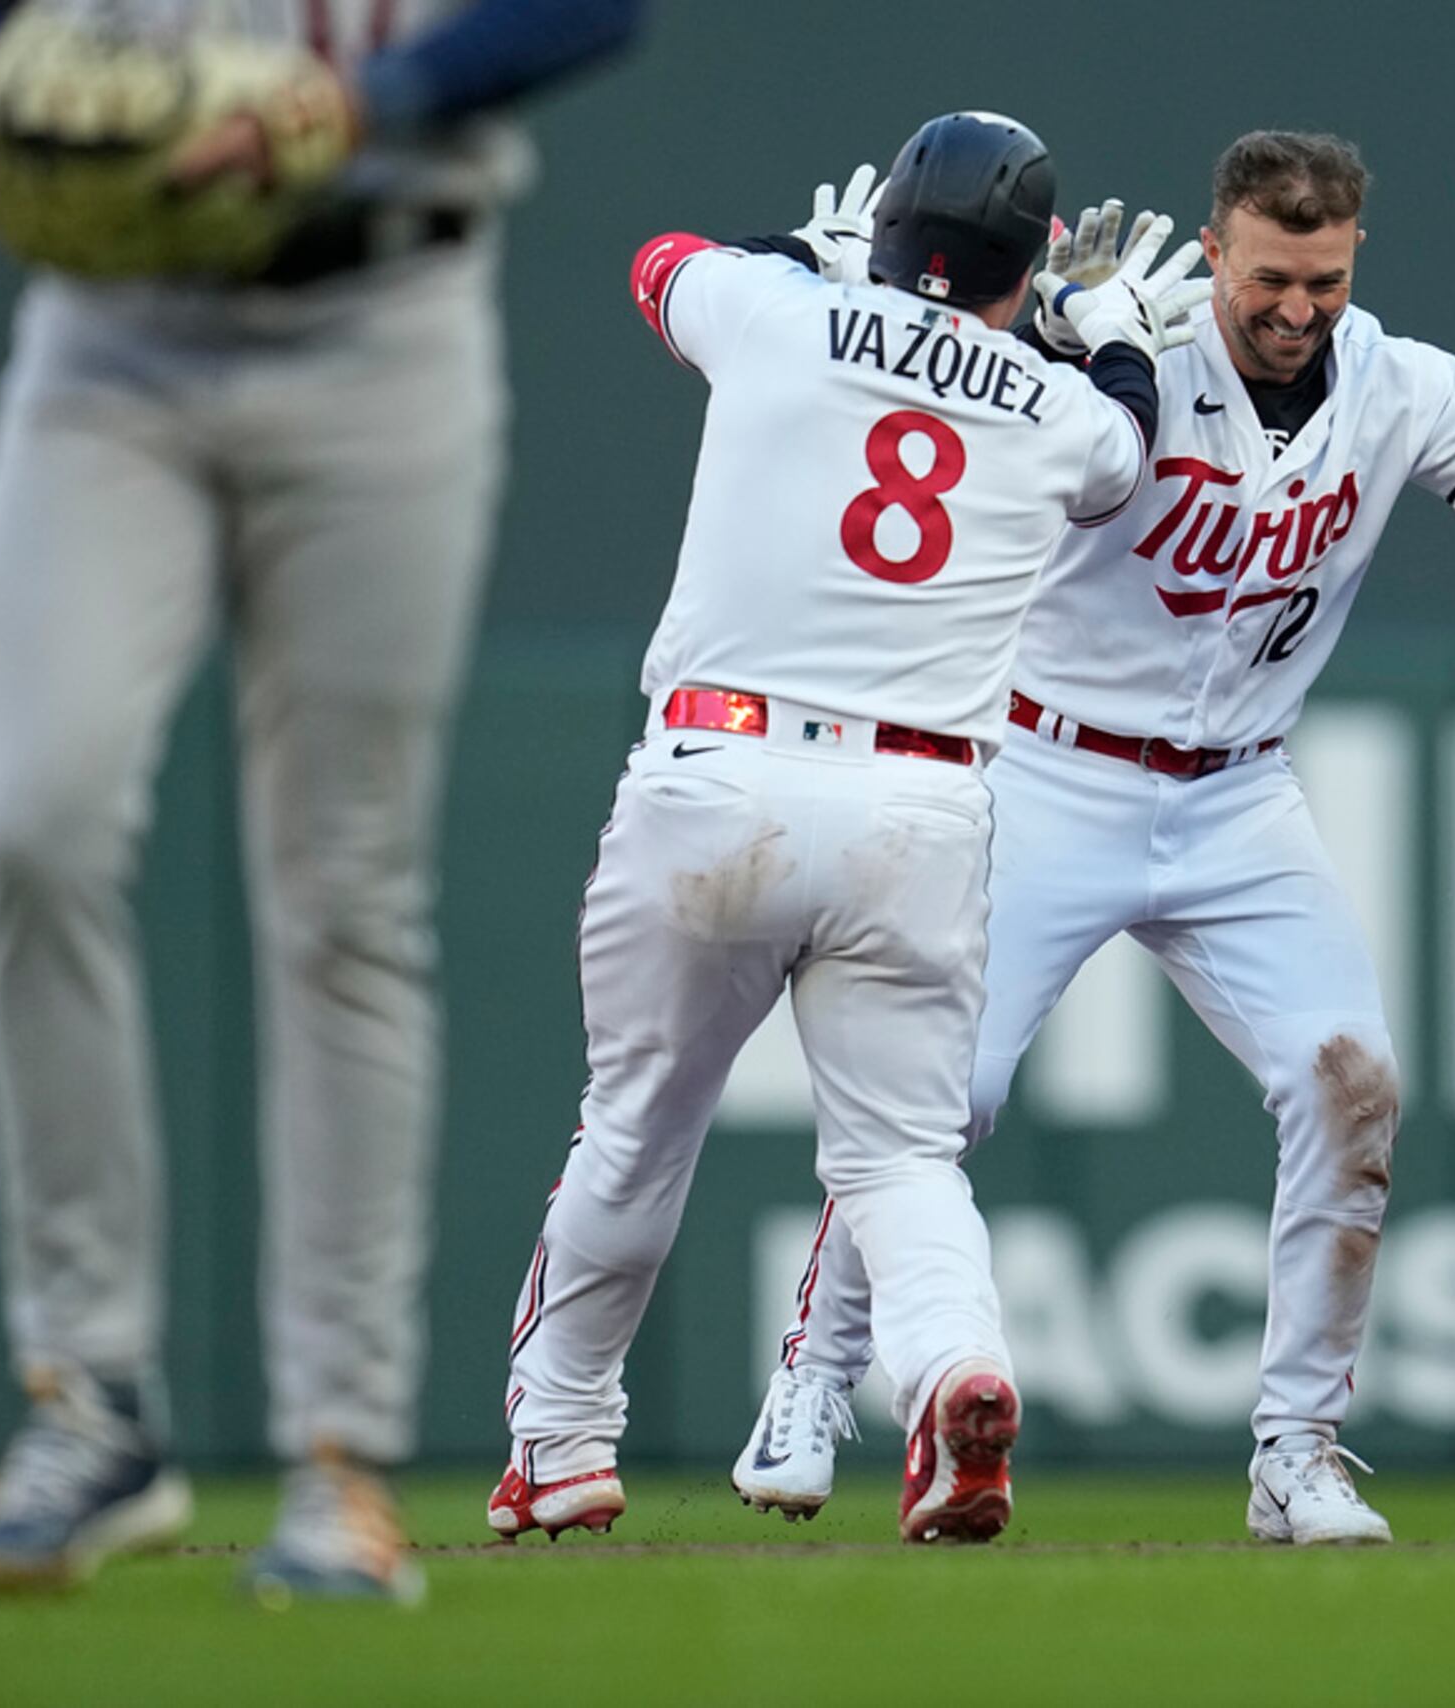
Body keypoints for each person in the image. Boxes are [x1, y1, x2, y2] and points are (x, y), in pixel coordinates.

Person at [731, 131, 1455, 1546]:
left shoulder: (1393, 382)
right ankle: (816, 1380)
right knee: (941, 1099)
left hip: (1239, 795)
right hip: (1048, 772)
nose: (1295, 308)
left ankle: (1295, 1451)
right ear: (1220, 247)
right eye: (1267, 276)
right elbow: (935, 398)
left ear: (1354, 256)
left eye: (1321, 277)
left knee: (1351, 1086)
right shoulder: (1128, 343)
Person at [0, 0, 645, 1601]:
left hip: (382, 311)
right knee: (25, 817)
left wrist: (367, 98)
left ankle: (338, 1457)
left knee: (346, 896)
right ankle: (88, 1395)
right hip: (109, 329)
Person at [483, 111, 1206, 1548]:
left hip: (720, 773)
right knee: (898, 1161)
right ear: (1031, 263)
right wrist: (1109, 330)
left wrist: (801, 255)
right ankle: (956, 1371)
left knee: (634, 1129)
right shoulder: (1054, 401)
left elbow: (657, 264)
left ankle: (564, 1440)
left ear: (885, 230)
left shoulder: (776, 311)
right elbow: (1125, 451)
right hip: (915, 807)